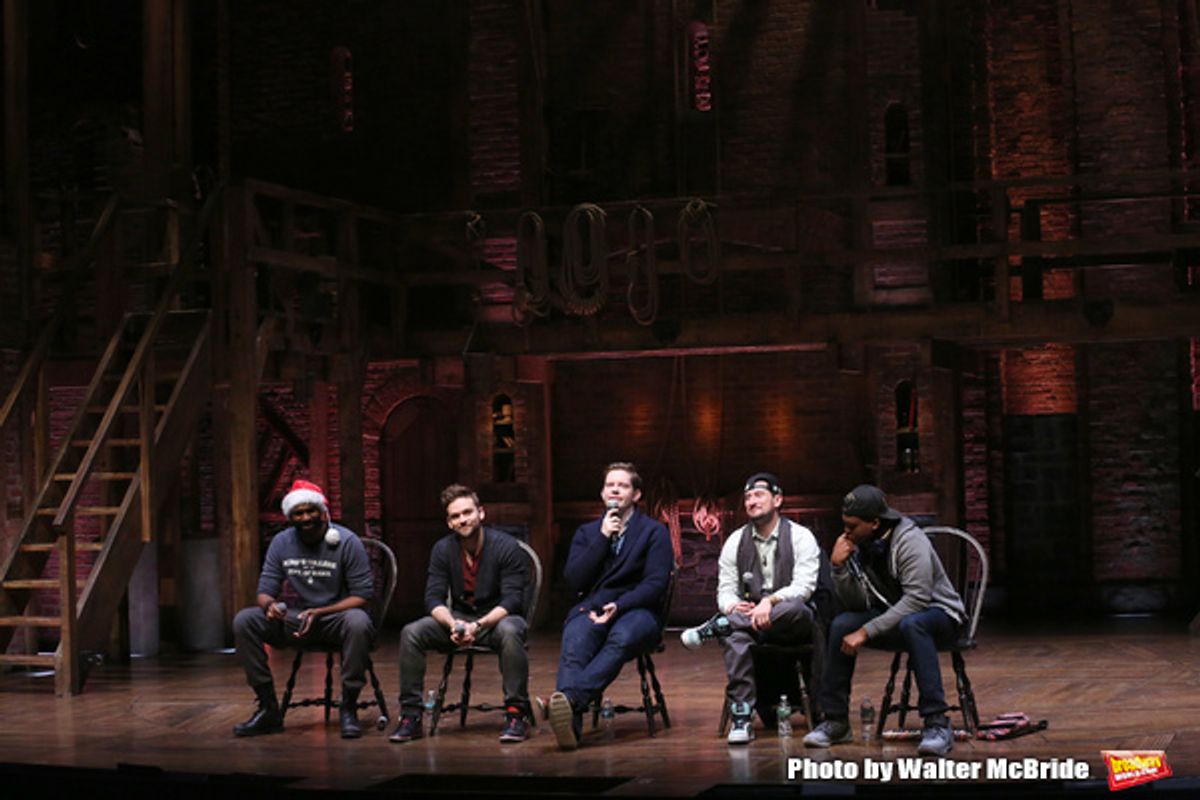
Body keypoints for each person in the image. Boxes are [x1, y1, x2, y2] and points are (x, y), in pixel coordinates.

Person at [802, 484, 966, 756]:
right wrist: (838, 568)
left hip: (940, 616)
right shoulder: (863, 543)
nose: (846, 532)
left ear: (875, 523)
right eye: (844, 525)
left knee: (913, 622)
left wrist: (866, 631)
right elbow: (857, 603)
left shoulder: (909, 541)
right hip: (897, 618)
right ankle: (835, 720)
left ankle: (937, 723)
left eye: (852, 526)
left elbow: (917, 601)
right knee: (842, 623)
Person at [680, 472, 822, 744]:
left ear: (777, 499)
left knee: (796, 609)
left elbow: (805, 587)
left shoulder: (801, 537)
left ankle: (718, 625)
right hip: (750, 622)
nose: (751, 501)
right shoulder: (735, 541)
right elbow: (725, 588)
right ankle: (742, 717)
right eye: (747, 497)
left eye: (758, 495)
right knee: (736, 636)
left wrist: (769, 602)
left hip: (789, 621)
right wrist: (732, 605)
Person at [232, 479, 375, 739]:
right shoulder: (281, 543)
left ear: (323, 511)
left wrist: (320, 612)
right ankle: (268, 708)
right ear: (290, 517)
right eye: (299, 513)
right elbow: (264, 590)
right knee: (245, 620)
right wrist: (270, 605)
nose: (306, 517)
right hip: (298, 620)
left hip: (336, 620)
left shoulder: (346, 541)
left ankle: (348, 706)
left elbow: (363, 595)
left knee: (359, 621)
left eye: (311, 510)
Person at [389, 484, 532, 744]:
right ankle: (411, 715)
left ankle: (516, 714)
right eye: (455, 516)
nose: (462, 519)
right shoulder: (443, 549)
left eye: (467, 512)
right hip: (458, 620)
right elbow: (432, 598)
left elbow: (513, 599)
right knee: (412, 632)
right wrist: (454, 624)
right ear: (449, 522)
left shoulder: (506, 546)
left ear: (481, 513)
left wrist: (477, 625)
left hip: (497, 621)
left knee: (511, 631)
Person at [548, 462, 674, 750]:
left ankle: (571, 702)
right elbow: (574, 579)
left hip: (639, 611)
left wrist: (619, 605)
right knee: (575, 641)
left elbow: (655, 584)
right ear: (603, 492)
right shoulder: (587, 533)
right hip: (593, 607)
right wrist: (602, 538)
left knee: (622, 637)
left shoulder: (654, 532)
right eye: (609, 485)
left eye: (623, 485)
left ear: (637, 494)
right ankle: (569, 728)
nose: (615, 489)